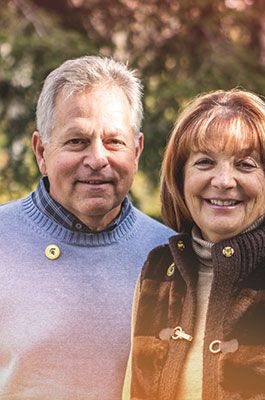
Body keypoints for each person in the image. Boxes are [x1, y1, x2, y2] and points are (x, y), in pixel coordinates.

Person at [123, 89, 265, 400]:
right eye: (204, 162)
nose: (224, 181)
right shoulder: (158, 272)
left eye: (245, 165)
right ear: (180, 178)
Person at [0, 55, 174, 399]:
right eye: (77, 141)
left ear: (136, 151)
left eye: (114, 141)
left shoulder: (171, 256)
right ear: (41, 151)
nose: (97, 159)